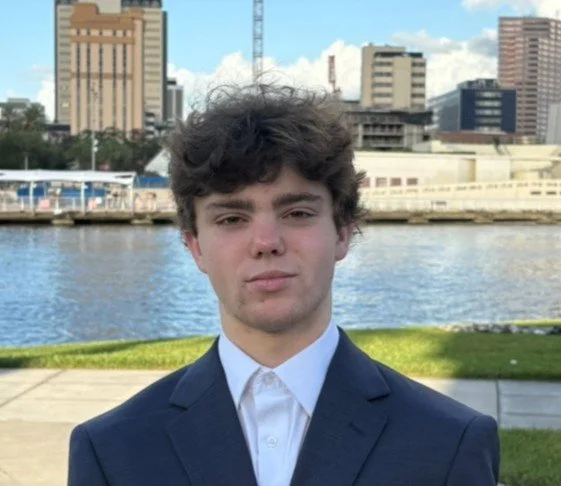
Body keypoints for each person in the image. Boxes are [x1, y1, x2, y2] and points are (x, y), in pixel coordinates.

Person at [68, 84, 500, 486]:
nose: (266, 242)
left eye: (296, 213)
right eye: (232, 218)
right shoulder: (111, 451)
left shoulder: (449, 444)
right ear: (195, 246)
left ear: (343, 232)